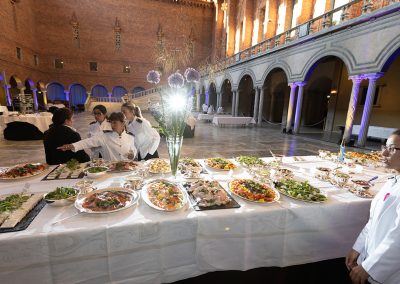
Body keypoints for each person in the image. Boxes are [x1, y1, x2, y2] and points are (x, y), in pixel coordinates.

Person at [346, 129, 400, 284]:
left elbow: (398, 239)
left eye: (391, 149)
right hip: (371, 257)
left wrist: (370, 267)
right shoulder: (393, 180)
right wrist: (358, 247)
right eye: (385, 147)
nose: (383, 154)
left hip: (388, 273)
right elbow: (374, 219)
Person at [58, 112, 137, 161]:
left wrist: (132, 154)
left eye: (115, 123)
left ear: (123, 123)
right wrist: (72, 146)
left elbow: (133, 150)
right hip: (110, 171)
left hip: (126, 170)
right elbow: (87, 142)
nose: (112, 125)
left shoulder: (130, 137)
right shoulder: (104, 136)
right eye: (111, 123)